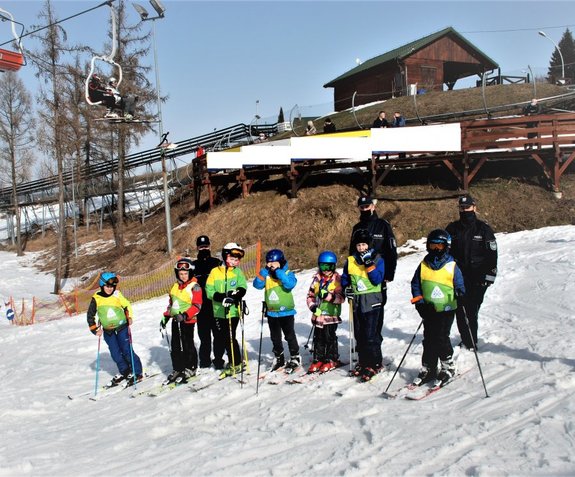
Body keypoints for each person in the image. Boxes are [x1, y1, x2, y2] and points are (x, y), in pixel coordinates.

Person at [410, 229, 466, 385]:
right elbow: (416, 285)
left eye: (439, 246)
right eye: (432, 245)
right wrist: (419, 303)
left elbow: (460, 285)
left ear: (446, 247)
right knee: (428, 338)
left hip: (446, 308)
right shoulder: (423, 265)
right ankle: (429, 367)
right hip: (428, 309)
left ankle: (448, 366)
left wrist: (461, 295)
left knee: (441, 337)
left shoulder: (452, 265)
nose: (435, 249)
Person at [445, 195, 498, 350]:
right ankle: (468, 341)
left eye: (467, 207)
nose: (464, 210)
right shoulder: (453, 229)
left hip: (478, 277)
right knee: (461, 311)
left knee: (471, 309)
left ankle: (470, 341)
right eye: (461, 208)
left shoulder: (483, 229)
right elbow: (444, 251)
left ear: (474, 207)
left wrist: (489, 276)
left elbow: (492, 254)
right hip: (458, 277)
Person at [341, 229, 386, 382]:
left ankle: (375, 363)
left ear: (369, 244)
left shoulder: (378, 258)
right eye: (359, 245)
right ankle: (363, 361)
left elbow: (377, 279)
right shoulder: (351, 260)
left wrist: (369, 264)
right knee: (359, 334)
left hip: (372, 301)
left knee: (370, 334)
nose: (361, 248)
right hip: (357, 302)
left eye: (364, 245)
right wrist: (346, 287)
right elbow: (345, 278)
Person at [87, 272, 143, 387]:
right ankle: (125, 372)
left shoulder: (117, 295)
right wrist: (94, 329)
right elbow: (90, 315)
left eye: (112, 286)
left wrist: (129, 317)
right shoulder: (96, 298)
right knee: (115, 354)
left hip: (122, 328)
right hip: (108, 331)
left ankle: (137, 372)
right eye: (107, 286)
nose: (110, 289)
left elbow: (127, 305)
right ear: (102, 285)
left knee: (127, 350)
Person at [349, 196, 397, 319]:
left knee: (377, 306)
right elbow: (352, 253)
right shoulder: (357, 228)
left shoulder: (383, 225)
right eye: (362, 207)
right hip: (359, 275)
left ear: (373, 206)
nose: (365, 209)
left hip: (378, 273)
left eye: (367, 206)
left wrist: (389, 273)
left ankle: (375, 337)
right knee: (360, 308)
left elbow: (391, 250)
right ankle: (361, 338)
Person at [253, 249, 301, 373]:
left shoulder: (287, 273)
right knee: (275, 337)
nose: (271, 265)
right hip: (272, 312)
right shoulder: (267, 275)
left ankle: (295, 356)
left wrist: (279, 272)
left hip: (287, 312)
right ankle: (279, 356)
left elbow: (290, 284)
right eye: (269, 262)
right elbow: (257, 285)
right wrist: (262, 274)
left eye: (274, 262)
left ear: (280, 262)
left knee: (289, 335)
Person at [205, 242, 248, 378]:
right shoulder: (214, 272)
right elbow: (209, 290)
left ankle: (236, 363)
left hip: (233, 311)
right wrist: (221, 297)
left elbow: (242, 287)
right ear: (225, 256)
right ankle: (233, 361)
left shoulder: (238, 272)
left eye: (237, 260)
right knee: (224, 338)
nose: (235, 262)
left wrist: (235, 296)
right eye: (232, 258)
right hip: (218, 311)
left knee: (230, 337)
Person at [160, 257, 203, 385]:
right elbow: (172, 305)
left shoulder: (195, 287)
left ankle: (191, 367)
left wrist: (184, 316)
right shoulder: (175, 286)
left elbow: (197, 306)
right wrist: (166, 316)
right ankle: (178, 368)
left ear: (190, 273)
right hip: (175, 320)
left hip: (187, 321)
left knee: (187, 343)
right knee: (175, 345)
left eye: (185, 273)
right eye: (181, 273)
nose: (183, 276)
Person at [305, 251, 345, 373]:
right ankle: (318, 359)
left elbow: (341, 298)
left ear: (334, 266)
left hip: (331, 316)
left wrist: (328, 296)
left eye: (330, 266)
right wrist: (312, 307)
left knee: (329, 337)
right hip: (318, 316)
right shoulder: (316, 279)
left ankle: (331, 359)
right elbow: (310, 296)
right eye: (323, 266)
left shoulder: (337, 279)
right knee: (318, 338)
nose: (326, 270)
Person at [191, 235, 224, 369]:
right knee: (204, 336)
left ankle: (218, 359)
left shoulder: (216, 263)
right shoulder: (193, 265)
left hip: (215, 305)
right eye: (201, 247)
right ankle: (204, 360)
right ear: (197, 248)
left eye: (205, 246)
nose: (203, 248)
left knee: (218, 334)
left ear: (209, 246)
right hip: (201, 307)